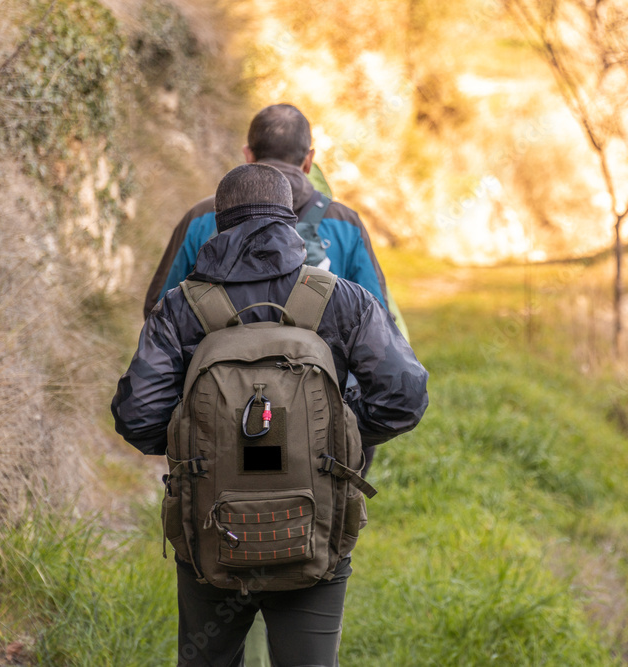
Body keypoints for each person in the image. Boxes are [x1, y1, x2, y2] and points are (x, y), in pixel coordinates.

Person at [112, 163, 428, 666]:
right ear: (289, 219)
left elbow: (137, 416)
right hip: (316, 528)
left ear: (218, 224)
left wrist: (207, 446)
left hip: (212, 531)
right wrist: (336, 439)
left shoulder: (181, 309)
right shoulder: (340, 300)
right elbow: (406, 395)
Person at [143, 103, 390, 322]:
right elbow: (377, 317)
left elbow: (159, 309)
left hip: (217, 372)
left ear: (248, 155)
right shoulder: (345, 223)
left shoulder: (202, 216)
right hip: (319, 372)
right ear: (308, 161)